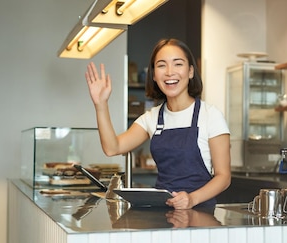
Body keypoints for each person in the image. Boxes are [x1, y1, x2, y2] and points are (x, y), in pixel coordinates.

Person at [84, 38, 231, 209]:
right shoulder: (152, 118)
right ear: (154, 75)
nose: (169, 72)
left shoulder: (210, 115)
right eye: (161, 65)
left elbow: (224, 177)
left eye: (178, 64)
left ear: (190, 71)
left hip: (200, 216)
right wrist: (101, 105)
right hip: (161, 214)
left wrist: (192, 199)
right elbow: (113, 148)